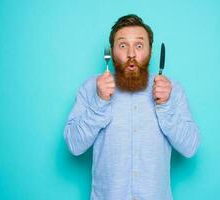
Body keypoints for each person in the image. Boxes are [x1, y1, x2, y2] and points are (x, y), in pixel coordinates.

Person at [64, 14, 200, 200]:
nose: (131, 54)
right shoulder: (91, 87)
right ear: (111, 52)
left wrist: (166, 106)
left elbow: (190, 147)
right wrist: (99, 102)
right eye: (122, 45)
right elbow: (74, 145)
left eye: (139, 45)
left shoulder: (171, 89)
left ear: (150, 51)